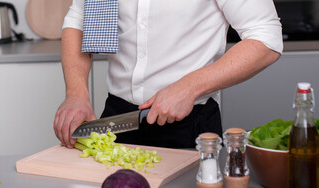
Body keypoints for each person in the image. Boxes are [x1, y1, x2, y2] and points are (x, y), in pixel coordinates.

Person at [54, 0, 283, 149]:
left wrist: (189, 87)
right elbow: (79, 20)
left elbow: (266, 38)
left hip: (188, 126)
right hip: (116, 120)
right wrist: (76, 93)